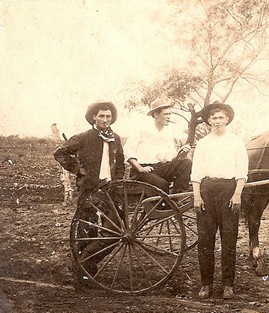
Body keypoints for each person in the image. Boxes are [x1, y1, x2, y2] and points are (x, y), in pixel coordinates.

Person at [53, 101, 125, 275]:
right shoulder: (84, 137)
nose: (105, 120)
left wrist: (118, 179)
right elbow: (60, 153)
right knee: (87, 229)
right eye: (101, 116)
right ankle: (83, 271)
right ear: (94, 117)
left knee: (115, 229)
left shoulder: (115, 138)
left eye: (108, 116)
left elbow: (121, 163)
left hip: (110, 188)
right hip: (90, 189)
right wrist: (79, 170)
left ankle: (89, 261)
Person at [191, 101, 249, 300]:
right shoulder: (203, 143)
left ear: (227, 120)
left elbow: (242, 171)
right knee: (205, 240)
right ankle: (206, 284)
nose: (217, 121)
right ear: (208, 121)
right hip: (207, 190)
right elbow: (196, 172)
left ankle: (228, 285)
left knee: (229, 240)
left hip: (228, 190)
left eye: (221, 118)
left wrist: (237, 194)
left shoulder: (236, 142)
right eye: (214, 118)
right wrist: (197, 196)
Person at [124, 97, 192, 193]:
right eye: (166, 114)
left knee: (186, 163)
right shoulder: (142, 130)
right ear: (156, 114)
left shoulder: (167, 132)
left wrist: (181, 151)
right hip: (143, 171)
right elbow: (128, 150)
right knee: (162, 184)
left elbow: (170, 157)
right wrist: (140, 168)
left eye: (169, 114)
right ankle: (165, 207)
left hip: (160, 168)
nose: (169, 117)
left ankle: (176, 197)